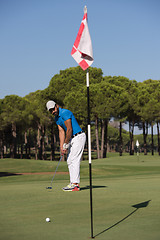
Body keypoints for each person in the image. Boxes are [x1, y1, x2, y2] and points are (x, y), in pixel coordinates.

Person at [46, 100, 86, 192]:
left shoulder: (65, 112)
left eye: (53, 109)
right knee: (69, 160)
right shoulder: (56, 119)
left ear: (57, 106)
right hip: (71, 139)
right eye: (51, 111)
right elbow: (61, 132)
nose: (53, 111)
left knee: (74, 160)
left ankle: (75, 185)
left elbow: (69, 129)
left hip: (78, 136)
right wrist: (61, 146)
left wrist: (66, 143)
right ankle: (73, 183)